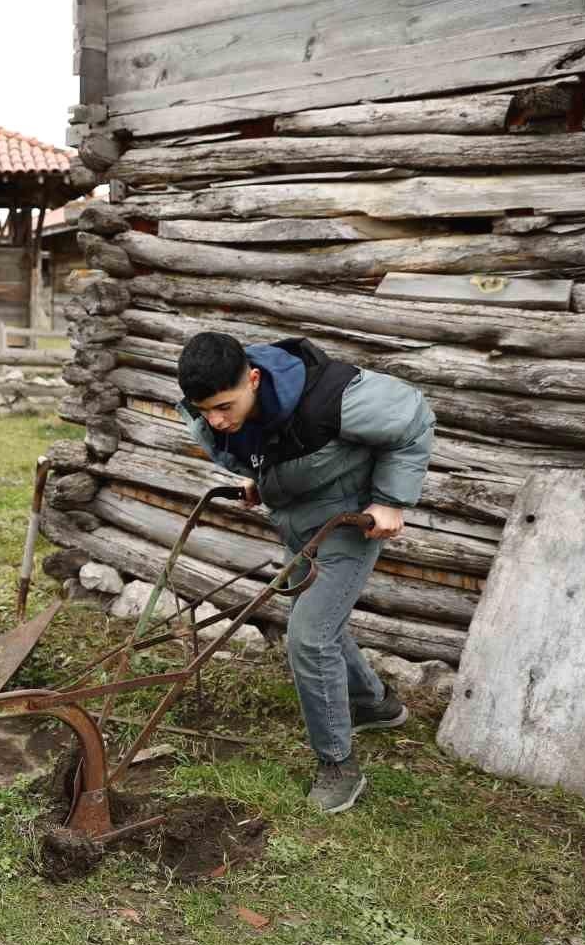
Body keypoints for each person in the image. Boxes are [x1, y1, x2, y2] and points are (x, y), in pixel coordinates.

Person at [176, 332, 435, 814]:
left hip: (347, 526)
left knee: (309, 637)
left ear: (253, 378)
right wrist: (258, 473)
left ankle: (338, 764)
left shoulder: (332, 399)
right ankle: (375, 704)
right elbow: (258, 443)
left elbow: (414, 416)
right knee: (319, 623)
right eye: (204, 409)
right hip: (297, 526)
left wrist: (391, 500)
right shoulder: (218, 412)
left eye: (224, 406)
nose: (214, 420)